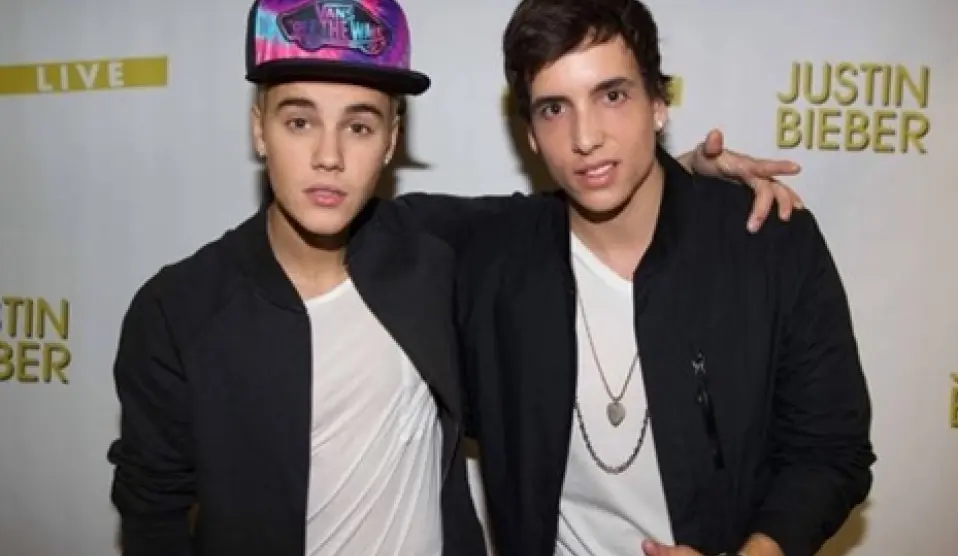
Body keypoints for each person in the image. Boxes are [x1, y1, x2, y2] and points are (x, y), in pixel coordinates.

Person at [105, 0, 806, 554]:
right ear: (259, 129)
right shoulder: (179, 312)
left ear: (392, 139)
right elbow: (153, 516)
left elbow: (584, 194)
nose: (328, 156)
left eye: (359, 126)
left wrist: (685, 174)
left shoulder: (431, 249)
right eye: (298, 122)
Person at [455, 1, 876, 556]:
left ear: (658, 103)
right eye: (554, 108)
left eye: (612, 96)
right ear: (530, 134)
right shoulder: (489, 259)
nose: (586, 137)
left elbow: (830, 451)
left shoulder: (769, 243)